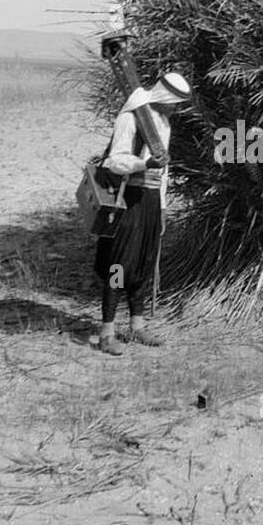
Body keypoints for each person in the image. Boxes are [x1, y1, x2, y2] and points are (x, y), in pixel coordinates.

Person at [93, 71, 191, 353]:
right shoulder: (131, 117)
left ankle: (137, 327)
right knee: (117, 265)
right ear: (166, 96)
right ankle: (107, 332)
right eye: (175, 103)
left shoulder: (163, 122)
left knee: (143, 263)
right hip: (126, 199)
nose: (176, 108)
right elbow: (115, 162)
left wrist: (161, 209)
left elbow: (163, 172)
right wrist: (144, 165)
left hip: (149, 202)